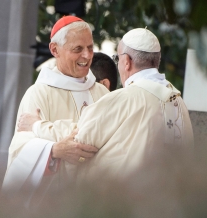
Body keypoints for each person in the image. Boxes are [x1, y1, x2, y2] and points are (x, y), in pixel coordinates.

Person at [15, 28, 194, 182]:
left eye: (117, 58)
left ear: (127, 62)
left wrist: (37, 126)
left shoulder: (126, 98)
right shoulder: (178, 103)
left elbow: (79, 140)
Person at [2, 16, 109, 194]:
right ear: (55, 50)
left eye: (90, 47)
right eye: (78, 49)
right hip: (56, 199)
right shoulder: (38, 94)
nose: (87, 55)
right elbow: (20, 149)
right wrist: (53, 150)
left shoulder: (101, 93)